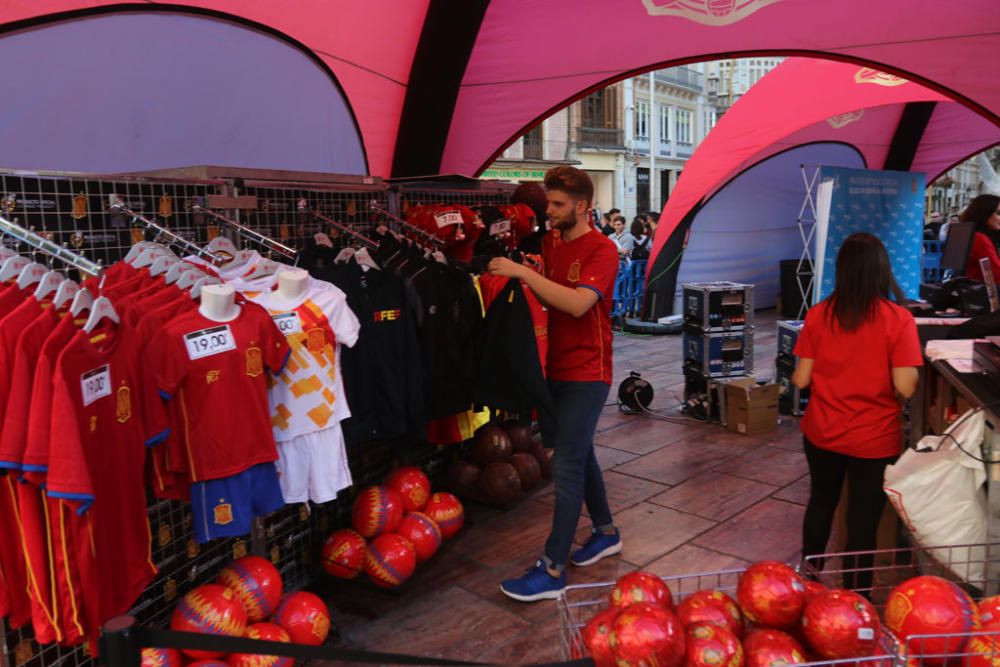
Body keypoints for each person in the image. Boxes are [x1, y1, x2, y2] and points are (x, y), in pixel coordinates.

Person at [487, 166, 621, 602]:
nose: (551, 212)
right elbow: (549, 296)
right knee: (582, 455)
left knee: (565, 463)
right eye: (549, 204)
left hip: (589, 372)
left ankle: (553, 568)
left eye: (559, 205)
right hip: (557, 367)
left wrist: (524, 275)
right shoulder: (548, 241)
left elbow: (579, 305)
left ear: (581, 206)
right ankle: (605, 532)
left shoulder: (603, 249)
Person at [791, 232, 922, 592]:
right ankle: (856, 600)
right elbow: (907, 387)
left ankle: (809, 583)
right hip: (874, 441)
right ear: (882, 271)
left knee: (821, 502)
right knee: (862, 522)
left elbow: (801, 379)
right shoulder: (899, 320)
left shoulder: (818, 315)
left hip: (821, 432)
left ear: (843, 272)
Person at [958, 194, 1000, 281]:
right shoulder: (980, 239)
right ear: (984, 213)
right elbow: (996, 274)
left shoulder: (967, 233)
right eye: (998, 213)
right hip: (983, 291)